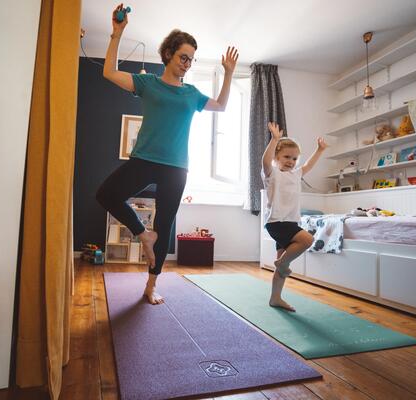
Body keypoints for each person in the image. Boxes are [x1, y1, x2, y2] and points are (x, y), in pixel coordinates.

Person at [96, 3, 239, 305]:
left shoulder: (192, 94)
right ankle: (141, 233)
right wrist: (116, 34)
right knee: (107, 194)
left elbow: (222, 106)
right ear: (168, 55)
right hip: (144, 159)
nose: (187, 63)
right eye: (183, 56)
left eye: (191, 59)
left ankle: (151, 286)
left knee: (165, 225)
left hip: (176, 167)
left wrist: (228, 74)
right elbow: (108, 72)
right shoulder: (148, 84)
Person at [261, 122, 328, 311]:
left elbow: (308, 165)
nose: (291, 161)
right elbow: (265, 162)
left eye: (294, 158)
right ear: (277, 157)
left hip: (289, 221)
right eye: (286, 157)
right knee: (307, 239)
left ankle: (275, 297)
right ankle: (282, 264)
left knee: (282, 262)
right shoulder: (272, 173)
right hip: (277, 221)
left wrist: (319, 150)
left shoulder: (297, 174)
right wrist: (275, 140)